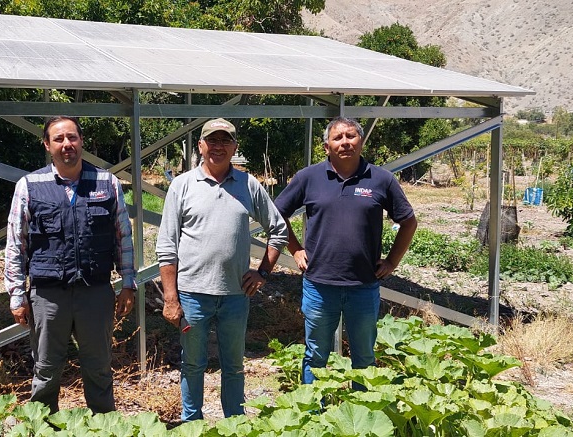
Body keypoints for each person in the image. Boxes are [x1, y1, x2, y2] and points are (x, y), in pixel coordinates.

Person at [156, 118, 288, 422]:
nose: (218, 146)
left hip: (235, 296)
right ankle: (193, 424)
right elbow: (166, 246)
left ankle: (234, 423)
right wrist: (171, 297)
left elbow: (278, 230)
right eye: (211, 140)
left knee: (233, 366)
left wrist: (262, 272)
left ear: (234, 148)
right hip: (191, 296)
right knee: (192, 364)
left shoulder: (247, 184)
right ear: (201, 146)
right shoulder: (183, 185)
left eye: (225, 141)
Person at [4, 116, 136, 414]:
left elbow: (123, 236)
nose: (67, 145)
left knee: (99, 369)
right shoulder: (29, 186)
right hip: (49, 296)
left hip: (95, 292)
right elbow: (16, 243)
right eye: (59, 139)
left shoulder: (107, 183)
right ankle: (43, 427)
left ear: (81, 141)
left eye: (72, 138)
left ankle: (103, 429)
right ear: (47, 145)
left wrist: (128, 282)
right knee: (46, 371)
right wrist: (16, 294)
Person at [273, 116, 417, 388]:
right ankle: (314, 412)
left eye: (351, 136)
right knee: (315, 355)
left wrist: (392, 262)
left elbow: (408, 221)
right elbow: (277, 215)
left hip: (363, 285)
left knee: (364, 356)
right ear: (326, 146)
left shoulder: (381, 179)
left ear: (361, 142)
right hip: (319, 285)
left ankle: (360, 412)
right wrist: (295, 249)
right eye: (337, 138)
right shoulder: (308, 178)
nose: (345, 142)